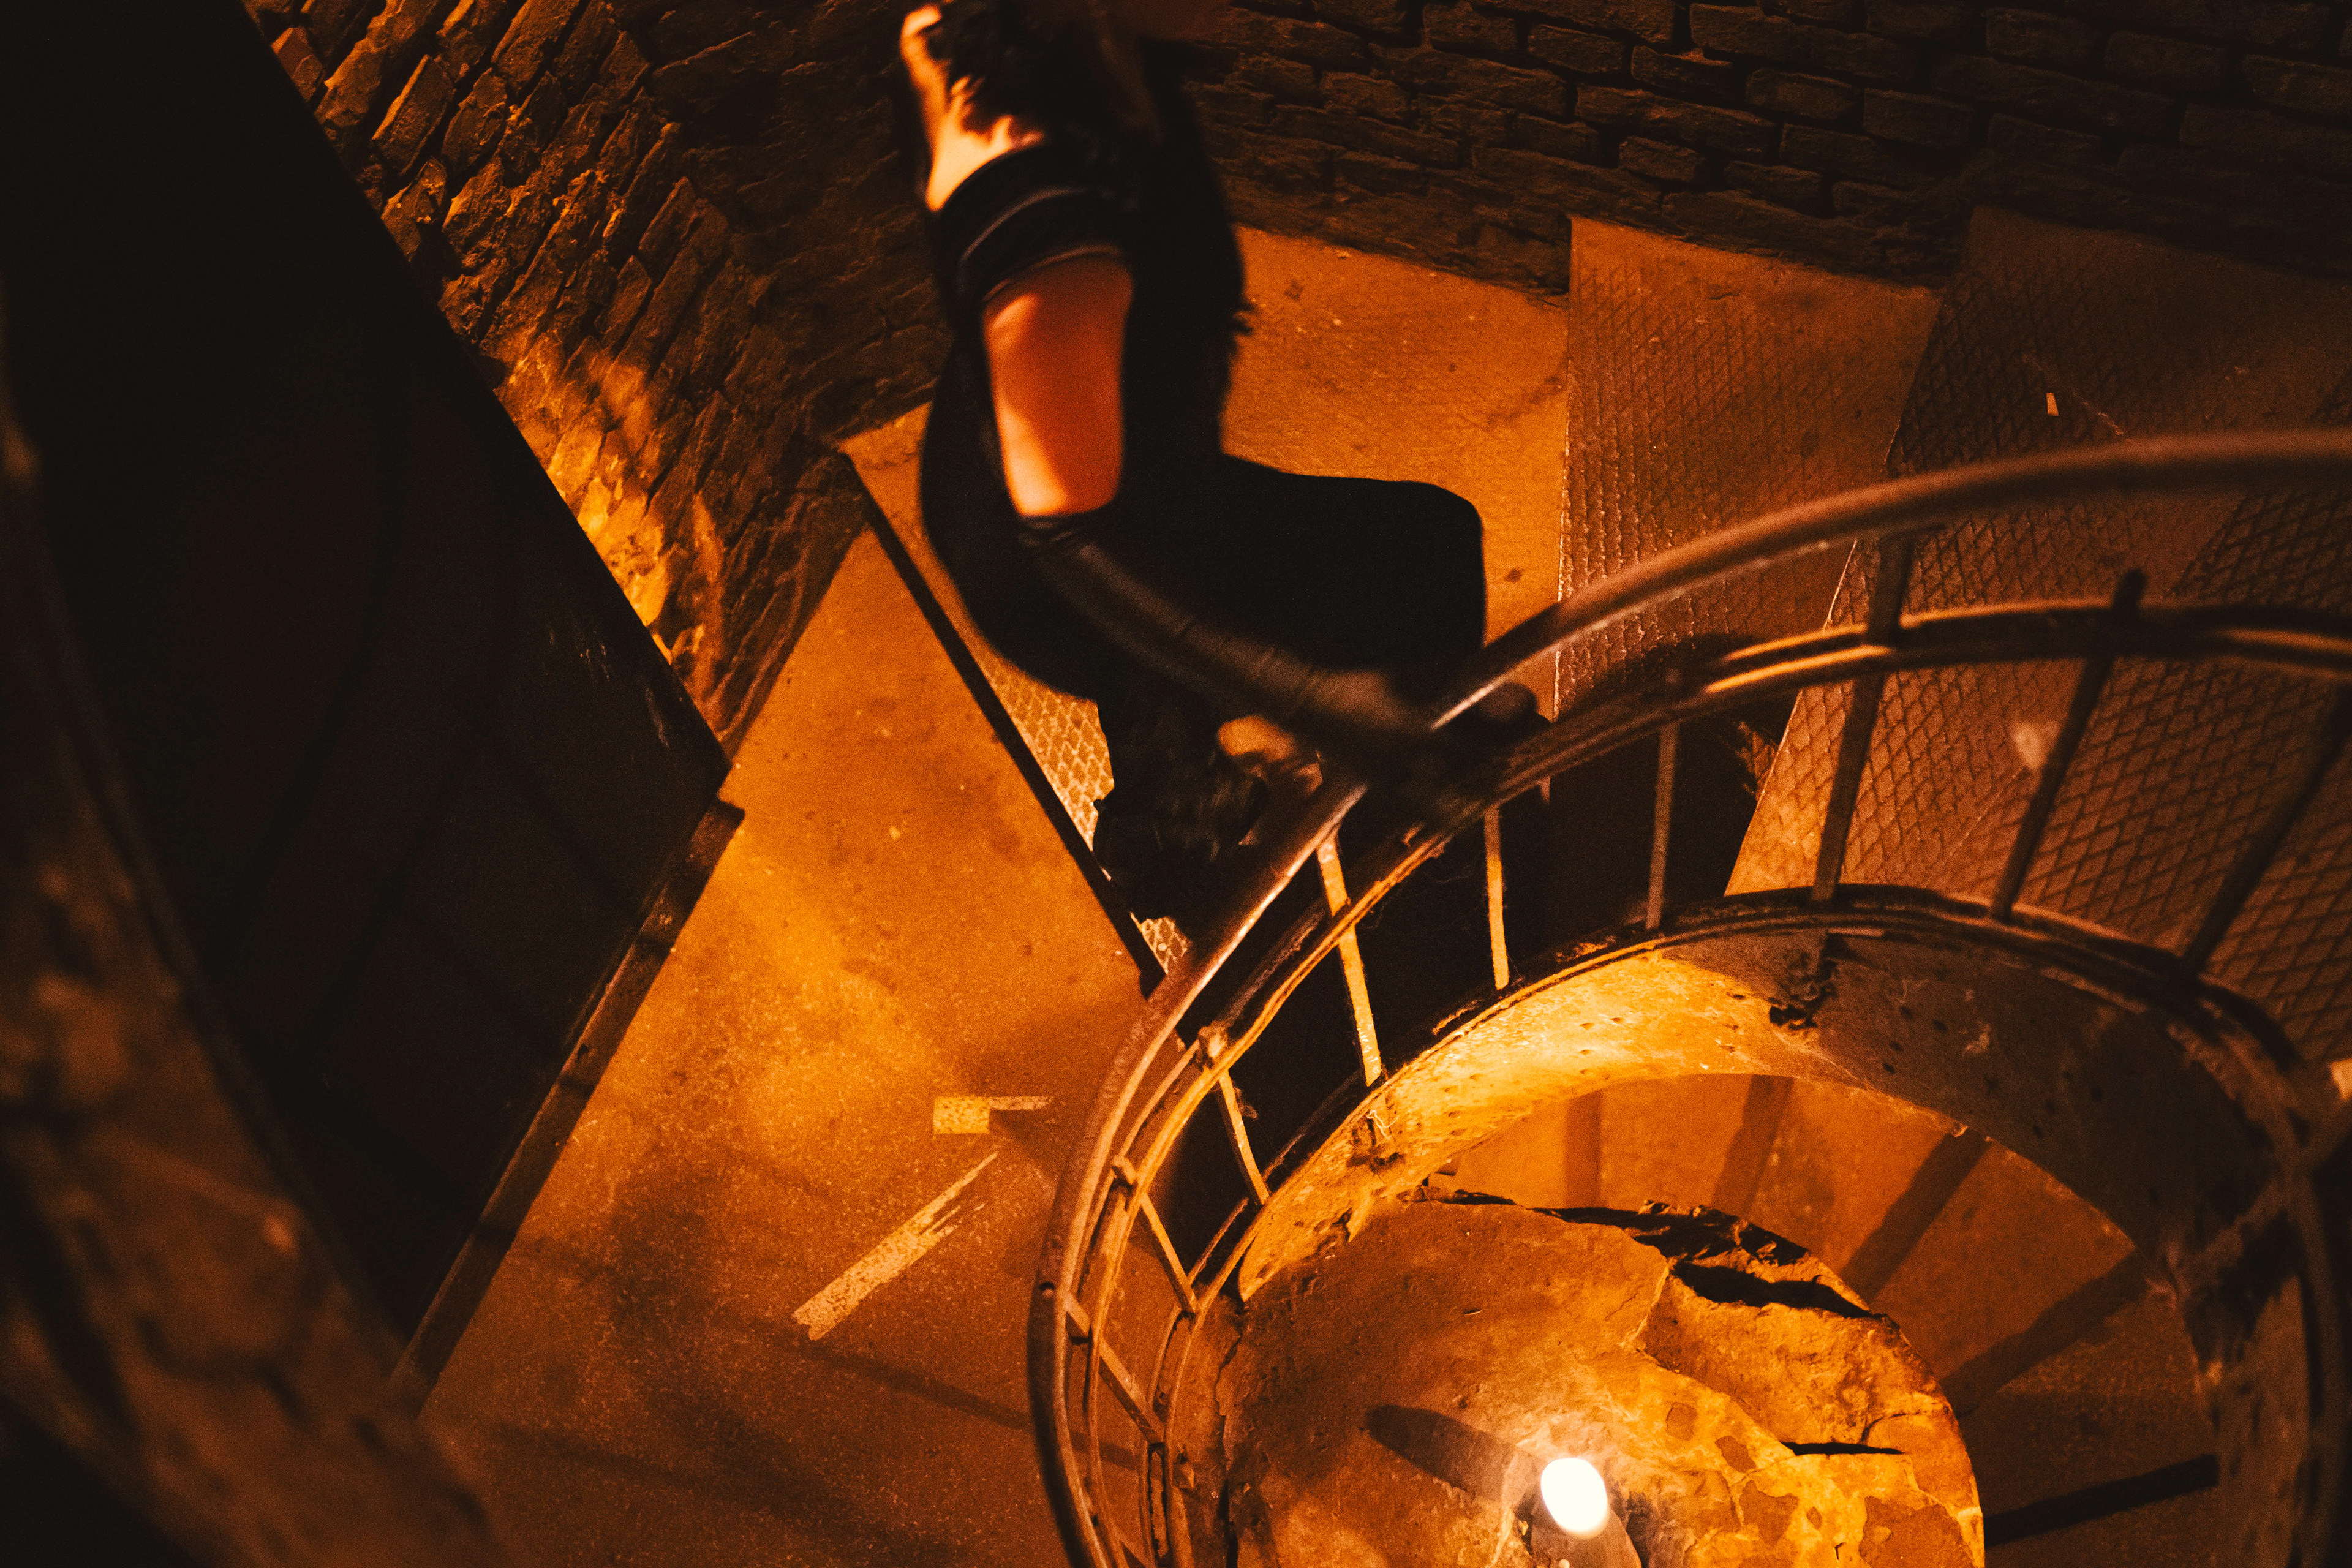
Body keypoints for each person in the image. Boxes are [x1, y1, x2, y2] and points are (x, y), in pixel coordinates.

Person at [900, 0, 1494, 935]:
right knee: (1428, 548)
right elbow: (1065, 531)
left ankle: (1173, 823)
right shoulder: (1050, 219)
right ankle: (1390, 829)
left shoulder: (991, 43)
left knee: (1177, 662)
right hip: (1075, 543)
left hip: (1081, 449)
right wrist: (1320, 703)